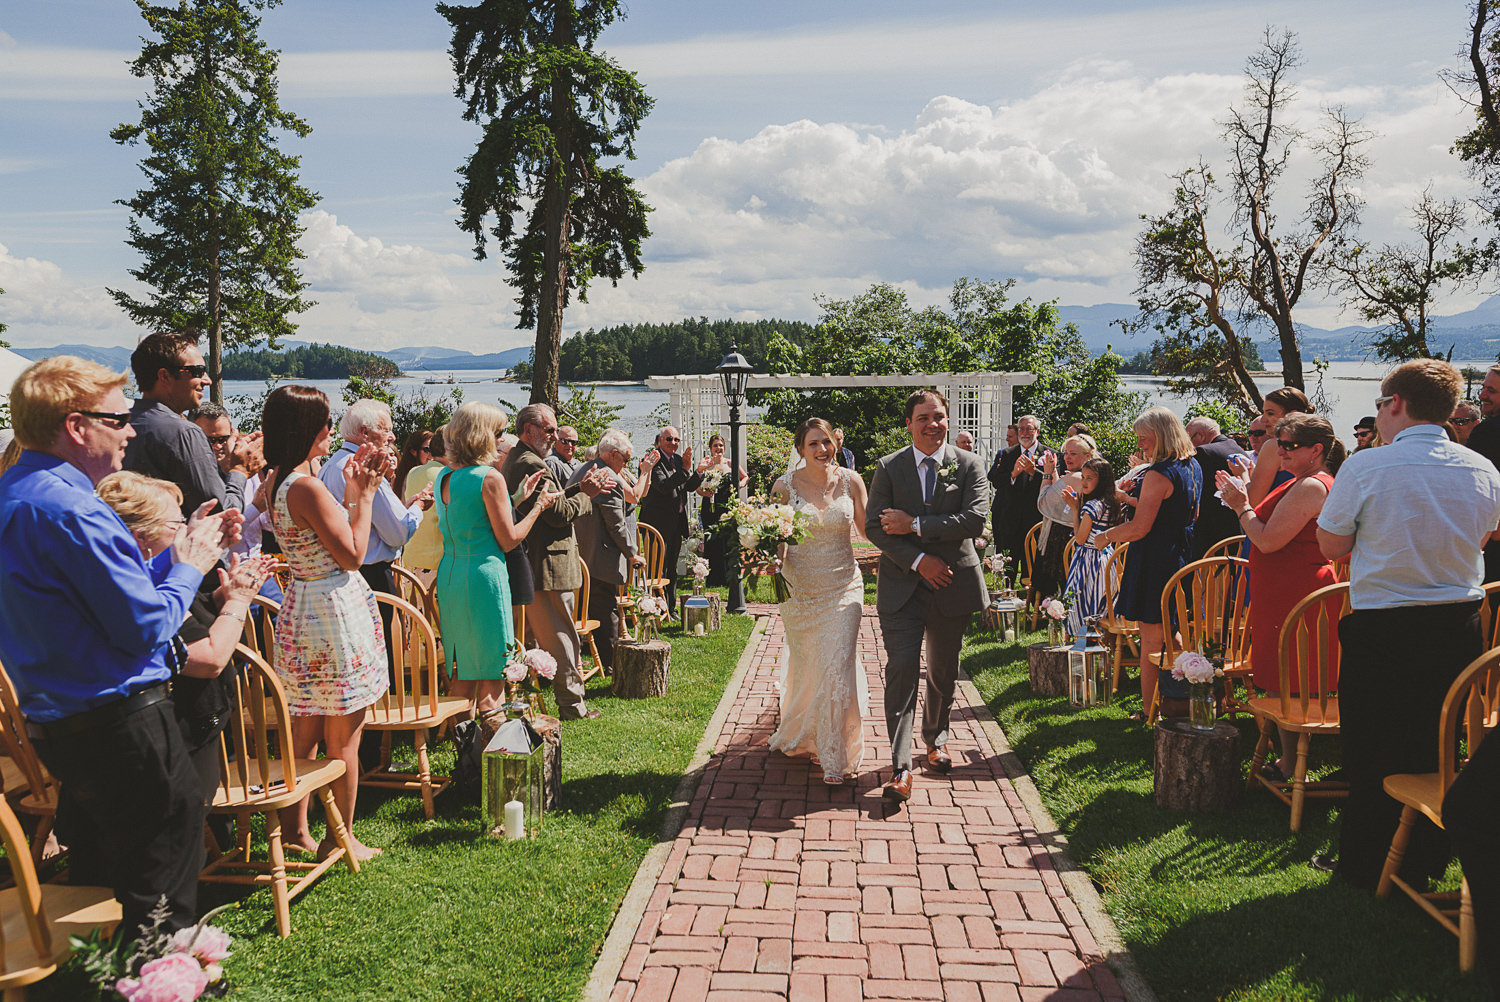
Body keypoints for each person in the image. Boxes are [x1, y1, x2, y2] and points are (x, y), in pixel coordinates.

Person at [0, 355, 238, 936]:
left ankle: (139, 969)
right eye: (119, 417)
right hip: (122, 722)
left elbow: (81, 600)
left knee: (132, 865)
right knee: (162, 878)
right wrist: (189, 564)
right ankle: (159, 979)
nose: (132, 429)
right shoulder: (75, 508)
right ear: (77, 427)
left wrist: (167, 556)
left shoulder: (14, 492)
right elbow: (143, 627)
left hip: (59, 720)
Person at [1315, 359, 1500, 890]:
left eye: (1379, 403)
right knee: (1439, 746)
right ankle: (1427, 857)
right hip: (1459, 625)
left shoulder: (1367, 466)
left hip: (1385, 627)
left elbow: (1331, 545)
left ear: (1396, 404)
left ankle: (1365, 864)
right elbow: (1483, 537)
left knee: (1372, 746)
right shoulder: (1481, 467)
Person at [262, 385, 390, 861]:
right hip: (332, 610)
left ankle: (296, 829)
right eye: (325, 422)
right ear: (307, 429)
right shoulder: (307, 487)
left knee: (307, 727)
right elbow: (354, 555)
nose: (332, 430)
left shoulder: (276, 479)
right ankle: (342, 837)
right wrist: (364, 496)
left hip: (303, 605)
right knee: (344, 734)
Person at [95, 471, 276, 806]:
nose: (186, 531)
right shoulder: (139, 588)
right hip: (168, 744)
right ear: (140, 538)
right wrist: (238, 602)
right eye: (176, 523)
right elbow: (208, 659)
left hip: (177, 735)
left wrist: (223, 596)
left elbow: (190, 617)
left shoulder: (150, 575)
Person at [866, 390, 989, 803]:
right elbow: (875, 527)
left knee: (943, 670)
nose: (932, 424)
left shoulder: (969, 464)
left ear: (948, 420)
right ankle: (901, 766)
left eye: (939, 416)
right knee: (901, 669)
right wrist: (920, 561)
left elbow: (974, 519)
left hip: (953, 585)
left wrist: (916, 524)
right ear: (909, 423)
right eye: (923, 418)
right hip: (903, 587)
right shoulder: (888, 467)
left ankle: (935, 740)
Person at [1218, 414, 1343, 781]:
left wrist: (1240, 505)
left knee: (1295, 677)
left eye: (1289, 445)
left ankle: (1292, 763)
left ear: (1315, 450)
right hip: (1281, 587)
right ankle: (1289, 759)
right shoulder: (1302, 481)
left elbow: (1268, 539)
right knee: (1284, 676)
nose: (1281, 451)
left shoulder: (1312, 486)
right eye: (1280, 443)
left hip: (1298, 590)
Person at [435, 403, 555, 730]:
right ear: (483, 436)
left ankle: (466, 748)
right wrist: (537, 508)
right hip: (484, 579)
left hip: (451, 577)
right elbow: (508, 539)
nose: (505, 439)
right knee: (492, 671)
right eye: (500, 433)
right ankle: (496, 748)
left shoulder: (445, 475)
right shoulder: (489, 477)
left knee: (464, 669)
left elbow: (471, 518)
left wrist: (515, 498)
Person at [769, 418, 870, 785]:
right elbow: (776, 536)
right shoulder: (784, 487)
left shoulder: (852, 481)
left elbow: (865, 529)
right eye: (813, 444)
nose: (822, 450)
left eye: (826, 442)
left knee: (838, 662)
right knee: (811, 662)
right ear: (800, 449)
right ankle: (803, 730)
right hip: (800, 591)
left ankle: (835, 755)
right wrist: (770, 559)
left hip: (844, 586)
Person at [501, 403, 611, 720]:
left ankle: (554, 699)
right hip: (547, 563)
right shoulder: (529, 463)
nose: (554, 436)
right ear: (528, 430)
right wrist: (587, 494)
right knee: (563, 637)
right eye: (548, 429)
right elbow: (558, 514)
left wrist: (578, 487)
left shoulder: (522, 458)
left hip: (539, 562)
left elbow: (553, 501)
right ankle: (573, 706)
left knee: (554, 636)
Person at [1097, 406, 1201, 720]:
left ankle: (1149, 710)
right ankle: (1181, 699)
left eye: (1145, 438)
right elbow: (1188, 514)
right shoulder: (1192, 465)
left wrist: (1106, 536)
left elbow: (1140, 527)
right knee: (1173, 630)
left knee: (1151, 637)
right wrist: (1131, 500)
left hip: (1156, 557)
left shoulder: (1158, 473)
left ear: (1162, 435)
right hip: (1182, 551)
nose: (1140, 445)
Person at [319, 400, 434, 611]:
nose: (393, 437)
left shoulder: (331, 464)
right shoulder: (367, 470)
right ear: (364, 433)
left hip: (339, 575)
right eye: (387, 430)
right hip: (372, 578)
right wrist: (417, 508)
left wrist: (406, 506)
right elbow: (398, 532)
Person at [124, 331, 251, 516]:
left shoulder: (121, 423)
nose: (207, 380)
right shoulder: (183, 433)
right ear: (165, 376)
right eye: (197, 371)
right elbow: (221, 513)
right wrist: (239, 470)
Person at [570, 429, 645, 675]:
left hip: (581, 551)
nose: (626, 465)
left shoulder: (583, 468)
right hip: (600, 555)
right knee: (607, 610)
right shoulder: (607, 477)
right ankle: (612, 664)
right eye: (625, 459)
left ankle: (600, 658)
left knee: (593, 607)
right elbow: (616, 524)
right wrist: (633, 553)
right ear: (613, 454)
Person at [638, 425, 705, 613]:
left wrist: (698, 471)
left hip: (676, 523)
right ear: (659, 441)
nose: (673, 443)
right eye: (669, 439)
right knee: (656, 569)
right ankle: (652, 608)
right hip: (657, 524)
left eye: (676, 440)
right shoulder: (652, 461)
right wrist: (684, 469)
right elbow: (664, 486)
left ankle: (671, 608)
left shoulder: (677, 459)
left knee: (672, 569)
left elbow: (687, 487)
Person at [1032, 433, 1097, 602]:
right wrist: (1054, 471)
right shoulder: (1089, 476)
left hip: (1064, 539)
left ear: (1087, 456)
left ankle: (1057, 609)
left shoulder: (1075, 477)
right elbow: (1058, 494)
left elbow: (1045, 501)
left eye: (1073, 454)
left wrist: (1047, 474)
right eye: (1066, 453)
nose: (1067, 457)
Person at [1061, 457, 1119, 636]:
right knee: (1100, 601)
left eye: (1090, 478)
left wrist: (1075, 509)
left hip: (1089, 561)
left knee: (1082, 601)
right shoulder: (1110, 503)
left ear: (1101, 480)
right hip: (1106, 559)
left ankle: (1083, 638)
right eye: (1083, 477)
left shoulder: (1092, 506)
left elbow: (1080, 539)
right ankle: (1099, 638)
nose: (1084, 482)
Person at [988, 414, 1048, 571]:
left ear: (1038, 431)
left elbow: (1054, 484)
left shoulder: (1048, 454)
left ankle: (1034, 593)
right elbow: (996, 481)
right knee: (1008, 565)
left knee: (1034, 566)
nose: (1025, 433)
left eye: (1029, 429)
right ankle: (1006, 591)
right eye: (1021, 429)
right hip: (1010, 519)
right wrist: (1013, 474)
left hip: (1037, 519)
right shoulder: (1008, 454)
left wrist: (1033, 472)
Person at [1186, 416, 1250, 560]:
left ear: (1201, 435)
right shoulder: (1237, 448)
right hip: (1237, 528)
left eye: (1188, 439)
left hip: (1211, 533)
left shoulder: (1203, 452)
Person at [1246, 387, 1312, 506]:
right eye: (1263, 413)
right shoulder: (1319, 443)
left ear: (1291, 415)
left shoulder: (1274, 446)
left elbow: (1253, 501)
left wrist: (1243, 475)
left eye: (1270, 413)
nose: (1263, 419)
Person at [697, 433, 747, 588]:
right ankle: (712, 577)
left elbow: (745, 477)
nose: (718, 448)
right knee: (711, 540)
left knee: (727, 539)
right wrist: (704, 492)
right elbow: (696, 485)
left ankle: (728, 576)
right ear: (710, 448)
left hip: (726, 506)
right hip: (710, 506)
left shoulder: (731, 463)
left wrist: (738, 486)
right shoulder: (706, 464)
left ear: (724, 447)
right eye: (715, 446)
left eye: (720, 445)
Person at [401, 428, 448, 589]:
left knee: (414, 613)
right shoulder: (450, 476)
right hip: (436, 563)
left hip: (410, 561)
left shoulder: (413, 472)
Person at [393, 429, 434, 503]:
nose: (431, 454)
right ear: (413, 451)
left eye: (434, 449)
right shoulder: (408, 476)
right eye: (427, 450)